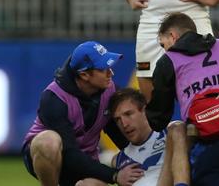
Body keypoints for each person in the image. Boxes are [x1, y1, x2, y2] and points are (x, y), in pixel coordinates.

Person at [146, 12, 219, 186]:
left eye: (163, 44)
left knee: (177, 130)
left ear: (173, 37)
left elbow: (157, 120)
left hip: (213, 142)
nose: (164, 49)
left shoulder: (168, 61)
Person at [22, 41, 143, 186]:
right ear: (84, 75)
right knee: (48, 141)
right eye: (104, 69)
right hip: (52, 157)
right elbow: (68, 154)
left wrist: (143, 160)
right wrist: (115, 175)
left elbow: (117, 134)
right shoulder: (54, 98)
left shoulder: (110, 90)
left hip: (85, 158)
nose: (111, 73)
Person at [109, 88, 166, 186]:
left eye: (128, 114)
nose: (124, 124)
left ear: (145, 111)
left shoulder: (172, 133)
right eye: (118, 119)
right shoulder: (118, 160)